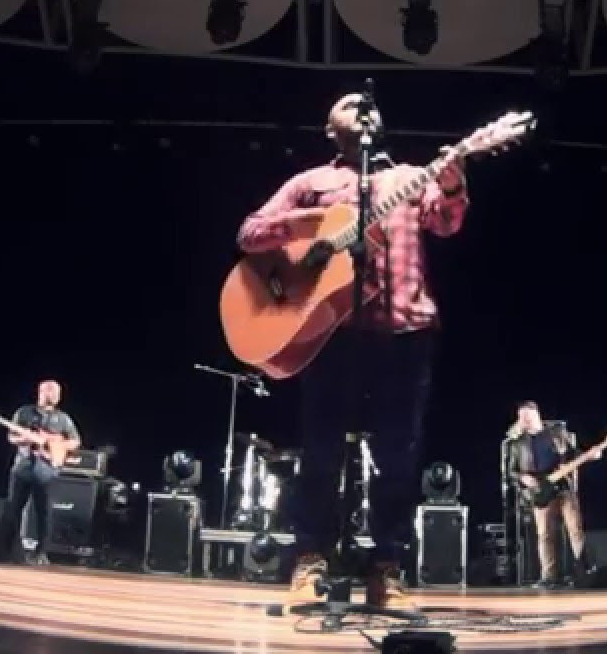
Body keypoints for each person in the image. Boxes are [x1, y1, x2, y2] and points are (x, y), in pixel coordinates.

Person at [236, 92, 469, 610]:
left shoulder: (410, 177)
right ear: (330, 128)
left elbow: (447, 223)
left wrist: (453, 182)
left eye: (370, 103)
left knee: (397, 456)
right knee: (321, 452)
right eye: (350, 103)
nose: (364, 106)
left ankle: (387, 570)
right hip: (332, 332)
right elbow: (250, 233)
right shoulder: (311, 182)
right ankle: (309, 564)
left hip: (405, 329)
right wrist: (314, 229)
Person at [0, 380, 82, 565]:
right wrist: (25, 439)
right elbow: (11, 437)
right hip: (23, 467)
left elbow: (75, 441)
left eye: (58, 392)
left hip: (47, 470)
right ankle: (9, 550)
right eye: (53, 391)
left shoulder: (63, 418)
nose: (56, 395)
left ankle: (41, 552)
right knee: (13, 509)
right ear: (42, 392)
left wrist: (54, 442)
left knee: (44, 512)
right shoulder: (24, 412)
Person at [506, 401, 588, 590]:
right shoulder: (517, 443)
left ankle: (584, 571)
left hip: (563, 486)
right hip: (540, 491)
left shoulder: (557, 433)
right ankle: (548, 577)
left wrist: (589, 454)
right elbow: (511, 471)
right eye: (521, 417)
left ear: (537, 415)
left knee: (575, 530)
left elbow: (573, 453)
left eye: (527, 416)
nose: (524, 420)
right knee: (544, 534)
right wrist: (523, 477)